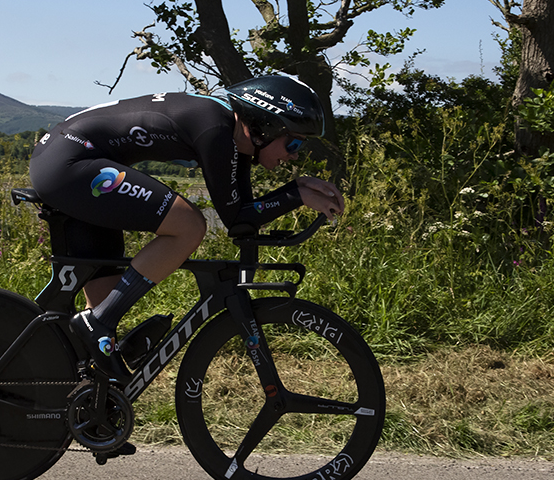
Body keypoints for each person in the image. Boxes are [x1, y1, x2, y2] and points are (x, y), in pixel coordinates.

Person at [28, 74, 346, 382]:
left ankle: (92, 409)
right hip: (68, 161)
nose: (293, 156)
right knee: (189, 225)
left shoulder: (231, 136)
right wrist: (295, 195)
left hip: (71, 159)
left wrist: (296, 190)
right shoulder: (215, 126)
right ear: (265, 127)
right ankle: (99, 322)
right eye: (293, 143)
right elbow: (236, 217)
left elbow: (243, 219)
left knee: (100, 310)